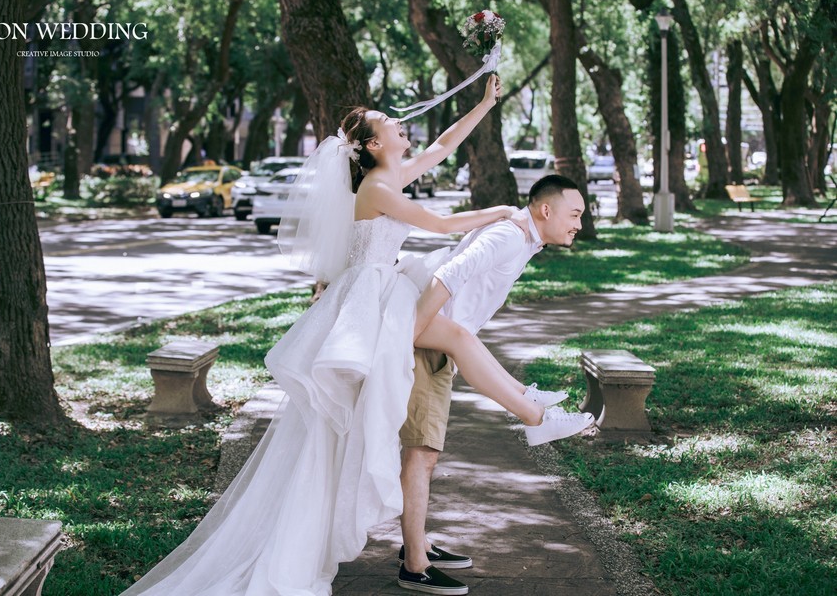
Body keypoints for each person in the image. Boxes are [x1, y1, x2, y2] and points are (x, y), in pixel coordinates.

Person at [121, 76, 589, 596]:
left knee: (453, 338)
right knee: (453, 336)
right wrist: (501, 212)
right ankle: (532, 413)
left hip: (382, 287)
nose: (400, 125)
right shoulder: (379, 187)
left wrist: (483, 104)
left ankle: (530, 408)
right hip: (373, 296)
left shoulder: (393, 174)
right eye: (389, 124)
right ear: (370, 145)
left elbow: (443, 145)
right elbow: (437, 224)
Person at [395, 174, 590, 595]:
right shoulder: (509, 236)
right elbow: (450, 273)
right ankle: (414, 564)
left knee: (423, 452)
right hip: (426, 341)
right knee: (421, 453)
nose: (578, 224)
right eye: (574, 215)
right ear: (545, 210)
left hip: (439, 337)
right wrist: (411, 331)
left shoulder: (522, 237)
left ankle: (417, 544)